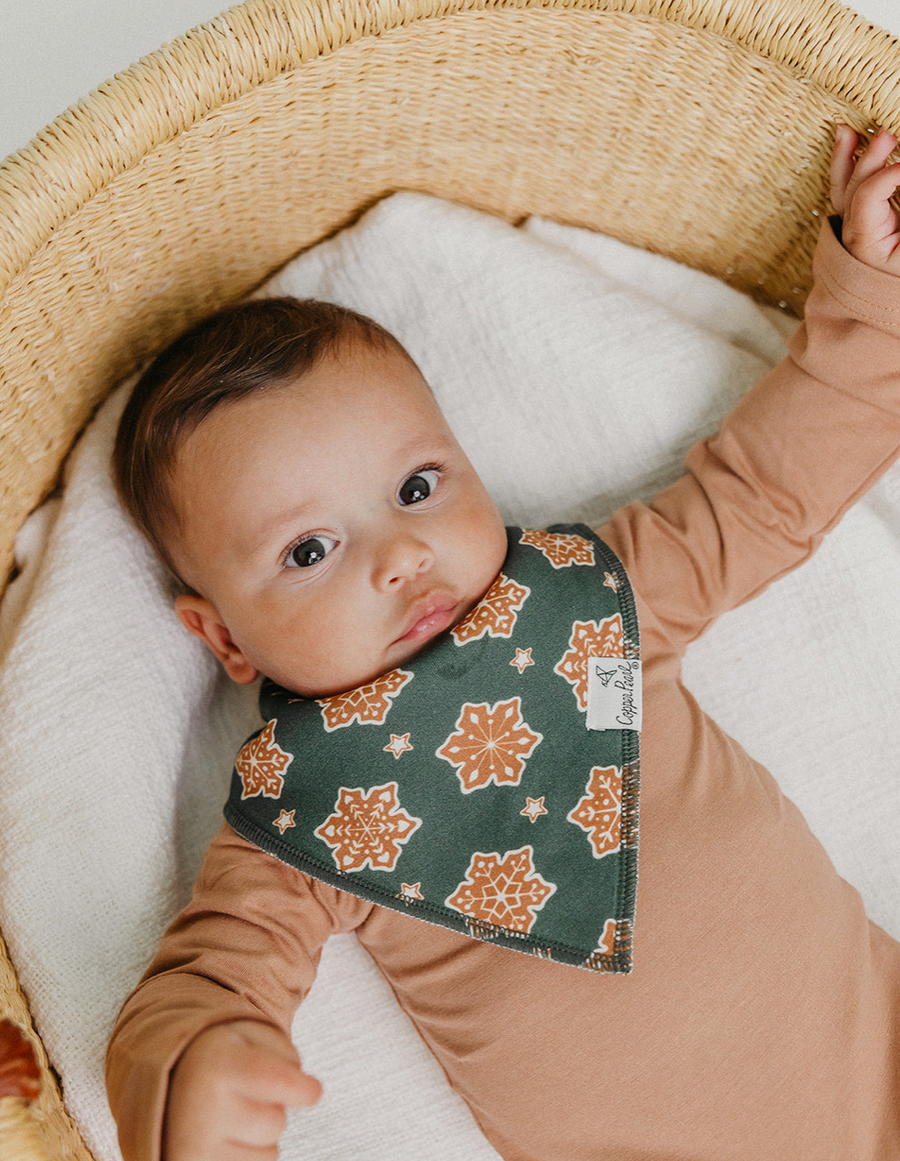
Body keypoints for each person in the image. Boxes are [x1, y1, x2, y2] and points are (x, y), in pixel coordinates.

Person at [106, 126, 900, 1161]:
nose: (399, 554)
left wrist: (869, 305)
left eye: (418, 488)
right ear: (224, 638)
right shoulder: (304, 814)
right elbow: (213, 973)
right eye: (310, 549)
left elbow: (768, 491)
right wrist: (201, 1061)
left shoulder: (592, 603)